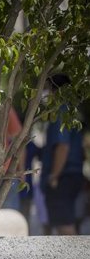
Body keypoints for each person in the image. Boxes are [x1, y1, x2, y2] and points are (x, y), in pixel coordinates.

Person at [40, 74, 85, 235]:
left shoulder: (61, 111)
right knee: (66, 223)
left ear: (55, 90)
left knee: (65, 226)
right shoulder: (71, 111)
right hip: (70, 175)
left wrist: (54, 176)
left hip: (62, 177)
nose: (45, 93)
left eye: (47, 88)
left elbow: (62, 146)